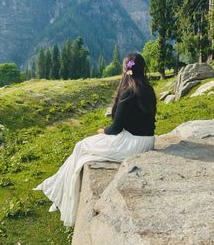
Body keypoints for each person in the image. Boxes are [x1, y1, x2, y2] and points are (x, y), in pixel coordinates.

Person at [33, 52, 157, 227]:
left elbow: (115, 128)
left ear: (126, 69)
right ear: (143, 69)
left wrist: (103, 131)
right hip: (147, 141)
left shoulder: (128, 91)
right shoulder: (148, 89)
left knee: (81, 146)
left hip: (130, 144)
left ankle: (63, 195)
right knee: (83, 152)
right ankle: (60, 192)